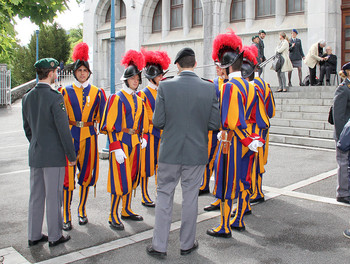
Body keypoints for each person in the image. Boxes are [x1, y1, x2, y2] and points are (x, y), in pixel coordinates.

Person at [146, 47, 220, 257]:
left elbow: (158, 121)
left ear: (177, 65)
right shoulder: (209, 88)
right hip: (196, 152)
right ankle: (187, 244)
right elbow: (215, 123)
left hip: (169, 151)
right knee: (190, 198)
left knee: (164, 196)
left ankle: (159, 246)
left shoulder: (166, 87)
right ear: (195, 64)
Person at [206, 30, 263, 238]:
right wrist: (252, 139)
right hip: (246, 141)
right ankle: (238, 219)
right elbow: (256, 117)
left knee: (226, 182)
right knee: (242, 180)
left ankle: (223, 225)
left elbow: (232, 120)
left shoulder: (229, 86)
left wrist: (243, 138)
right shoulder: (250, 86)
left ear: (228, 66)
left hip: (232, 142)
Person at [22, 58, 76, 247]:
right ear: (51, 73)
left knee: (36, 196)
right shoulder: (55, 97)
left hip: (36, 154)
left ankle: (34, 234)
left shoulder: (28, 97)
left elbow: (27, 128)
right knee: (53, 196)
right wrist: (71, 155)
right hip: (54, 156)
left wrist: (37, 144)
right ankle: (55, 235)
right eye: (55, 72)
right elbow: (63, 130)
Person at [59, 43, 106, 231]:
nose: (82, 73)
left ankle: (82, 209)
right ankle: (66, 214)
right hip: (70, 136)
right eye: (79, 70)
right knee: (67, 177)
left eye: (85, 70)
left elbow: (102, 117)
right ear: (74, 72)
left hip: (89, 137)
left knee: (86, 175)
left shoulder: (97, 92)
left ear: (89, 72)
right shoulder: (65, 91)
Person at [100, 50, 149, 230]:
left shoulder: (139, 99)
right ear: (126, 79)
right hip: (121, 144)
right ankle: (113, 214)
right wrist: (115, 147)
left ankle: (126, 209)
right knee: (118, 179)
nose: (136, 81)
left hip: (135, 143)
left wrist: (142, 138)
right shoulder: (116, 98)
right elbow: (109, 126)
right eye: (133, 78)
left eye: (138, 78)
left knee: (132, 177)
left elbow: (142, 124)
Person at [137, 49, 171, 207]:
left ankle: (160, 192)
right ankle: (144, 194)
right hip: (149, 134)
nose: (161, 77)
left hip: (163, 133)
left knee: (162, 165)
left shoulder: (164, 91)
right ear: (152, 77)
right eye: (159, 75)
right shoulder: (142, 94)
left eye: (161, 75)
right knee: (146, 165)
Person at [332, 62, 350, 204]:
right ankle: (342, 193)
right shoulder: (343, 89)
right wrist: (341, 137)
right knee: (343, 162)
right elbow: (337, 115)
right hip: (344, 133)